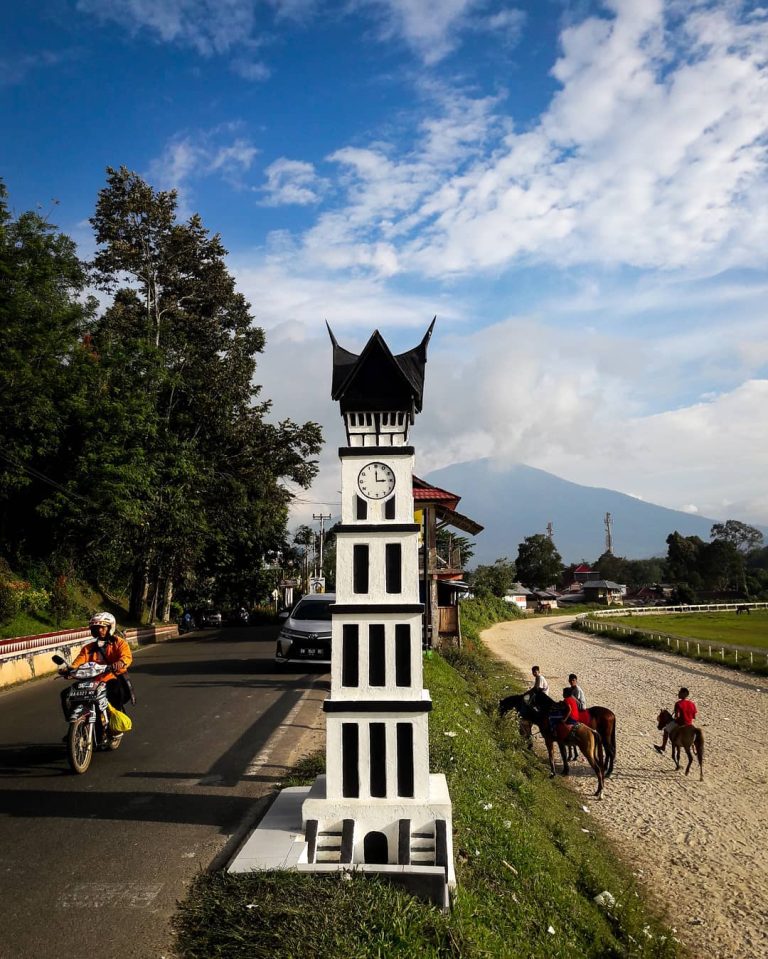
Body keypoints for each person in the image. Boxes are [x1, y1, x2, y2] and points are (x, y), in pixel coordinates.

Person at [60, 612, 133, 740]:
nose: (99, 630)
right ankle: (73, 726)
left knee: (115, 691)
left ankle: (113, 724)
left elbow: (126, 657)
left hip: (112, 678)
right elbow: (78, 662)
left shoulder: (120, 643)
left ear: (110, 628)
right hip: (91, 681)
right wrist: (69, 670)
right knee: (66, 694)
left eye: (102, 627)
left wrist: (119, 663)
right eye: (96, 628)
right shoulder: (88, 648)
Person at [655, 687, 697, 753]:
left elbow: (676, 716)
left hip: (681, 723)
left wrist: (675, 719)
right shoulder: (692, 704)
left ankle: (663, 747)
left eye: (679, 692)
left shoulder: (678, 703)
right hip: (689, 724)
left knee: (666, 730)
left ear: (683, 694)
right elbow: (694, 717)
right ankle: (694, 746)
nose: (678, 693)